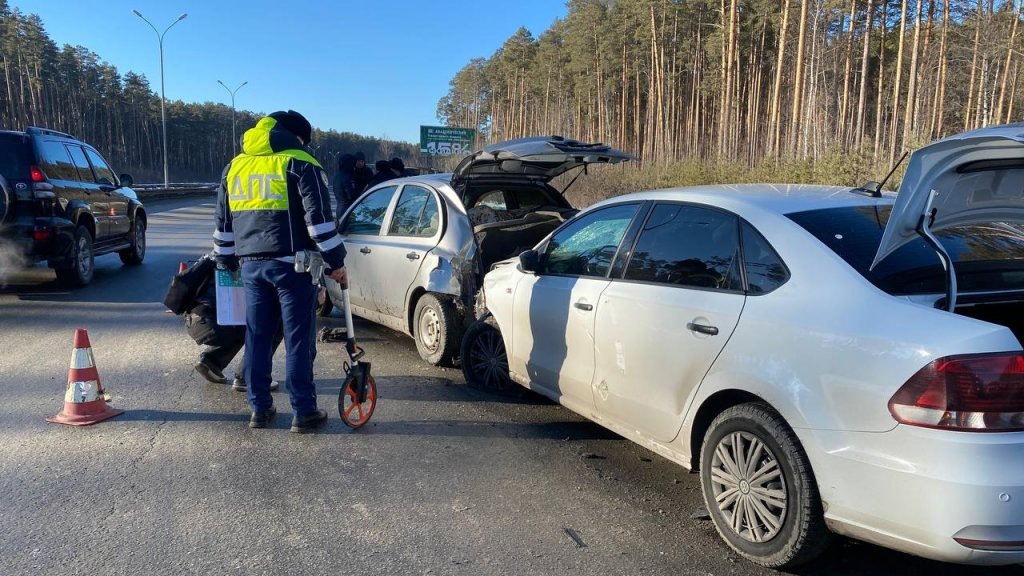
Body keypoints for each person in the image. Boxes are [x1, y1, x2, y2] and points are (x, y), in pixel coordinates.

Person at [213, 110, 348, 433]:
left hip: (250, 266)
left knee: (257, 336)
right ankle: (303, 411)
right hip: (293, 266)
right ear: (296, 137)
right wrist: (336, 261)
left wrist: (225, 260)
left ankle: (259, 409)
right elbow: (318, 221)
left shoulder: (235, 166)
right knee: (298, 339)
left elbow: (223, 221)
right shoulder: (300, 163)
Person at [332, 153, 357, 219]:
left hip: (339, 208)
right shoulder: (348, 177)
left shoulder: (337, 176)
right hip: (347, 210)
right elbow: (351, 196)